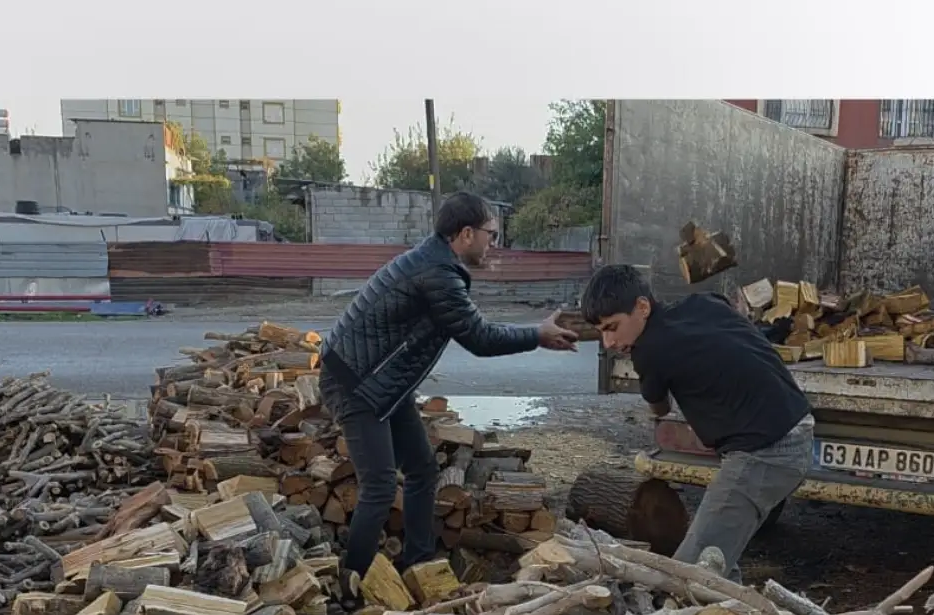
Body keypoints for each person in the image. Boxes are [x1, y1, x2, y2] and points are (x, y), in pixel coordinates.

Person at [319, 191, 578, 577]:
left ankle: (418, 562)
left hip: (381, 382)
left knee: (423, 469)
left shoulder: (434, 262)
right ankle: (350, 582)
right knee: (379, 486)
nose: (495, 242)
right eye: (492, 233)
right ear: (467, 233)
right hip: (355, 383)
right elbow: (479, 337)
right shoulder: (437, 274)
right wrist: (536, 335)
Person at [580, 264, 814, 581]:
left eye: (612, 327)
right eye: (601, 332)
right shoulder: (701, 303)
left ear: (643, 307)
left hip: (767, 452)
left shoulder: (649, 351)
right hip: (794, 428)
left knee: (691, 572)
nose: (608, 342)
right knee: (716, 559)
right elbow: (731, 319)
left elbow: (659, 408)